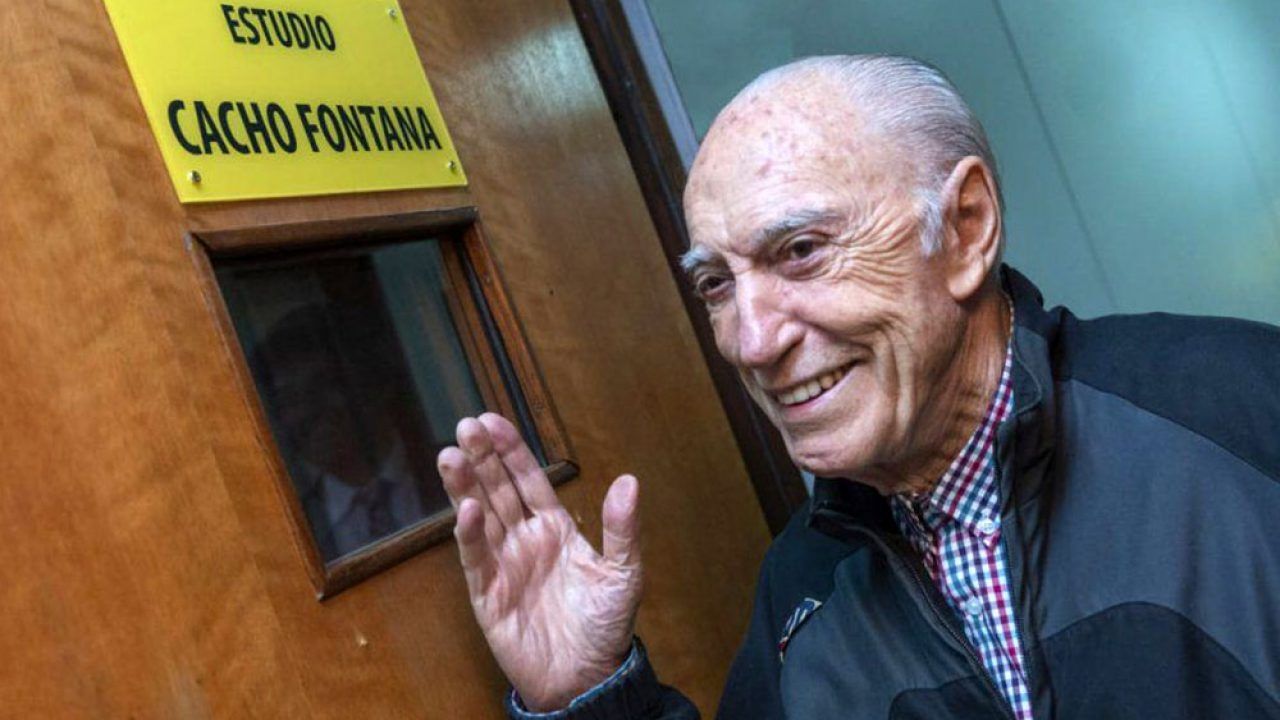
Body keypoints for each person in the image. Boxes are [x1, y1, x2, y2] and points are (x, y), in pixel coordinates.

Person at [435, 55, 1280, 719]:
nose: (753, 342)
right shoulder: (803, 593)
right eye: (717, 285)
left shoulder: (1240, 408)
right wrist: (591, 698)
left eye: (801, 251)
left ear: (966, 229)